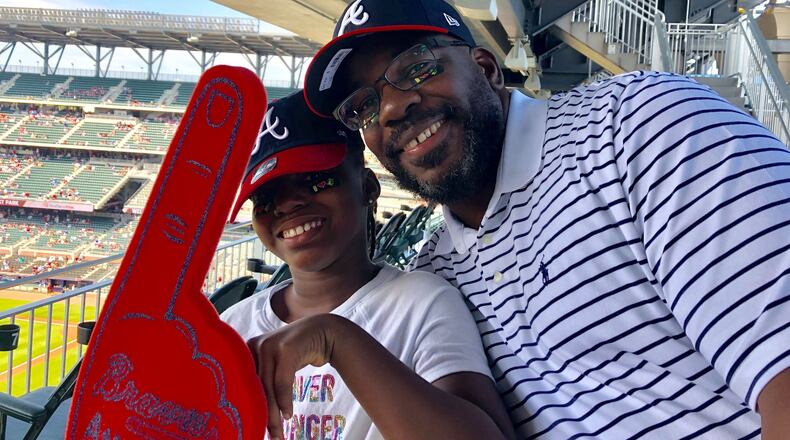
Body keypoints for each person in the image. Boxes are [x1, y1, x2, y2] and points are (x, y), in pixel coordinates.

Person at [302, 0, 790, 438]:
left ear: (487, 67)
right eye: (362, 106)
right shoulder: (435, 275)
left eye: (416, 69)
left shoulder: (636, 124)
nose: (391, 108)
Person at [221, 91, 516, 440]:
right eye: (265, 198)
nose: (286, 205)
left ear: (367, 187)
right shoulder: (230, 328)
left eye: (316, 180)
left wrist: (336, 339)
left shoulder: (422, 302)